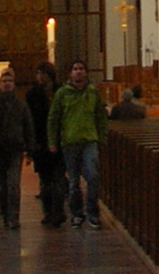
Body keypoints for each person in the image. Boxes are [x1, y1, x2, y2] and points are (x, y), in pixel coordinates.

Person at [47, 58, 108, 228]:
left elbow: (100, 116)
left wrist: (102, 137)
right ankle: (77, 214)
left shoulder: (92, 92)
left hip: (89, 139)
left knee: (93, 177)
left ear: (86, 73)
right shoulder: (62, 93)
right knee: (73, 182)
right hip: (70, 141)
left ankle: (92, 213)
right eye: (75, 69)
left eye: (81, 68)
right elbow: (54, 118)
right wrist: (52, 141)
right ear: (70, 73)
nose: (78, 71)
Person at [0, 67, 34, 229]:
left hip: (15, 149)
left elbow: (28, 126)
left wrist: (30, 149)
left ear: (14, 84)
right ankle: (5, 213)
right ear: (0, 84)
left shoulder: (20, 104)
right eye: (4, 81)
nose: (7, 84)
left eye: (9, 81)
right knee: (1, 187)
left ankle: (14, 216)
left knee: (13, 184)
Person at [27, 61, 66, 226]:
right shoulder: (32, 95)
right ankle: (48, 212)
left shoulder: (61, 91)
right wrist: (32, 142)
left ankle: (58, 211)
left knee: (58, 178)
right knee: (45, 180)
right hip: (41, 142)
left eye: (42, 73)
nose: (39, 77)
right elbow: (30, 120)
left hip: (59, 140)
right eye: (38, 74)